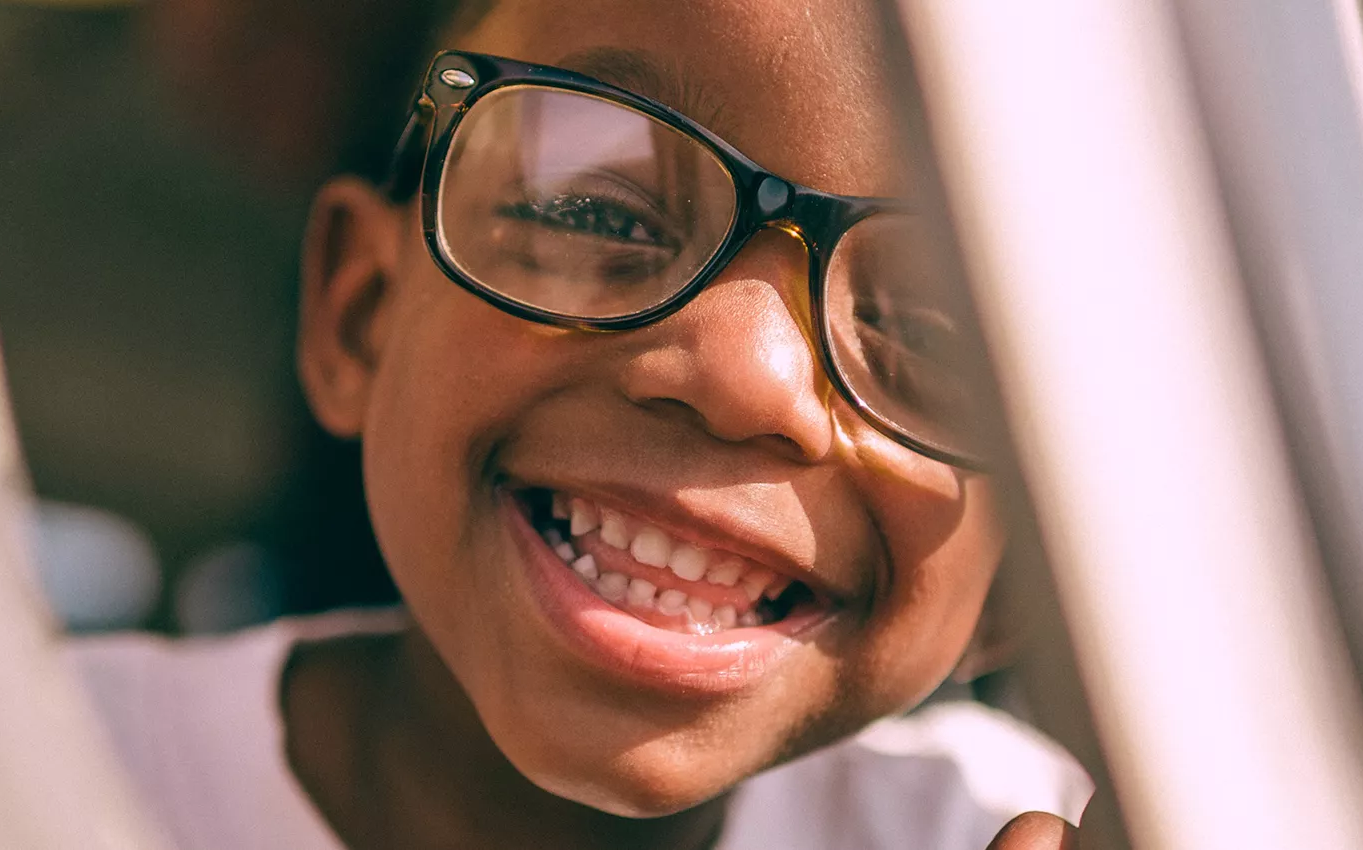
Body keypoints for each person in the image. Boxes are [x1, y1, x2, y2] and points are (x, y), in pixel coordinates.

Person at [68, 1, 1092, 847]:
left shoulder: (1025, 817)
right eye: (601, 214)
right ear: (362, 318)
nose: (746, 376)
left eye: (930, 330)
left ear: (1032, 565)